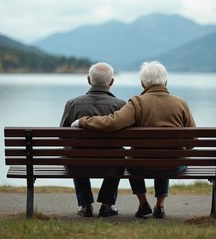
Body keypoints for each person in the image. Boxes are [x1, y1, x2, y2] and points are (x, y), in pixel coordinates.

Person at [71, 61, 196, 218]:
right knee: (166, 157)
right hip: (173, 166)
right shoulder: (181, 103)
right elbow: (192, 141)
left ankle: (143, 203)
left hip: (141, 166)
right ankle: (160, 206)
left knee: (130, 160)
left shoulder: (137, 102)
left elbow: (112, 122)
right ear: (166, 82)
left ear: (143, 84)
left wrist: (84, 121)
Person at [60, 62, 126, 217]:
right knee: (119, 156)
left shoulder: (72, 104)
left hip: (78, 164)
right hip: (111, 165)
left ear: (89, 80)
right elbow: (125, 138)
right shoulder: (120, 105)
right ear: (111, 82)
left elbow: (63, 136)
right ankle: (107, 204)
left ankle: (85, 205)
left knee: (73, 154)